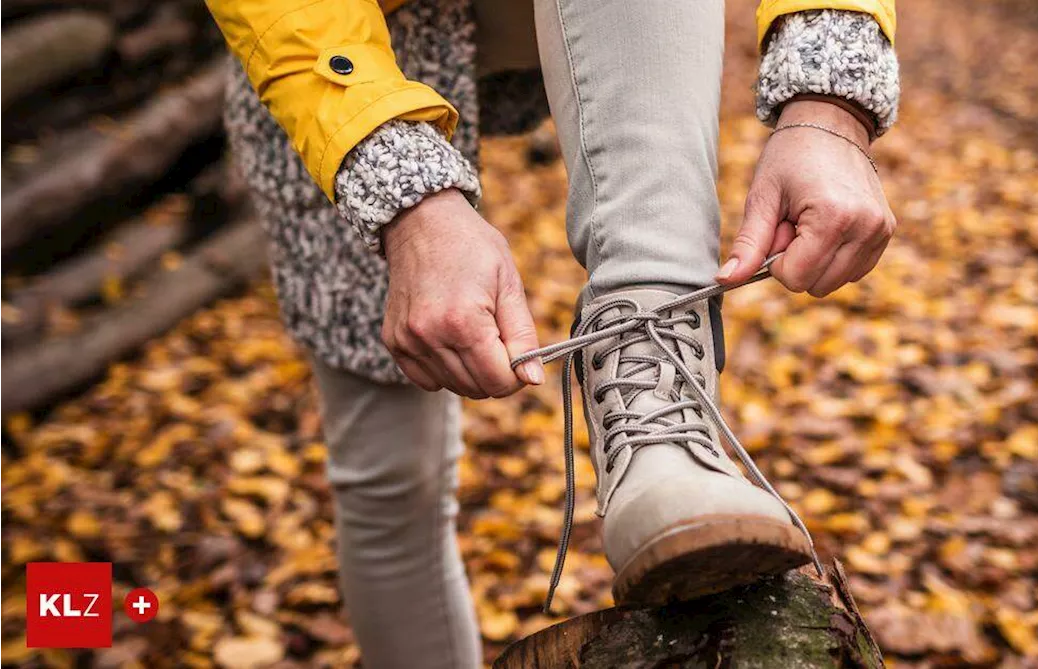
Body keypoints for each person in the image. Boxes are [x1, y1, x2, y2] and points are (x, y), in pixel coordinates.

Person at [208, 0, 899, 665]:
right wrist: (401, 199)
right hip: (316, 37)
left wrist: (829, 99)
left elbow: (829, 80)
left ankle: (654, 402)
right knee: (389, 477)